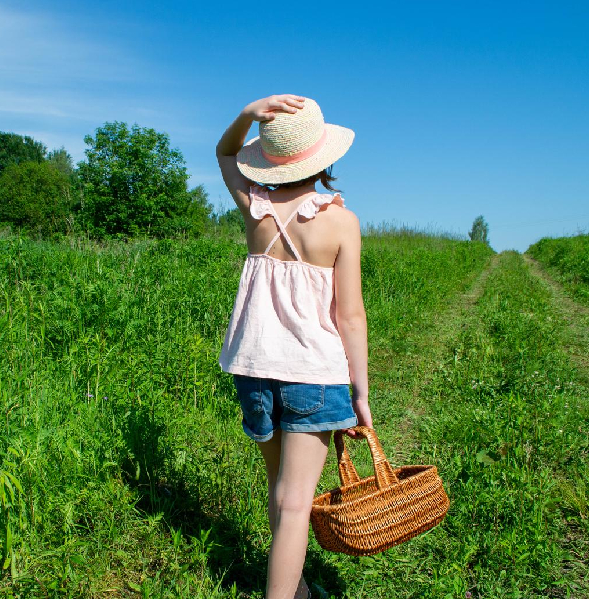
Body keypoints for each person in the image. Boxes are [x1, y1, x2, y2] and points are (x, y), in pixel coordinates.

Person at [216, 95, 373, 599]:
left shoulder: (254, 208)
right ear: (323, 159)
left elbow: (223, 154)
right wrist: (361, 393)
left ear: (268, 158)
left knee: (278, 490)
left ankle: (296, 587)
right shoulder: (340, 223)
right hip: (313, 373)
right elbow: (349, 315)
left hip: (254, 368)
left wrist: (247, 113)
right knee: (294, 501)